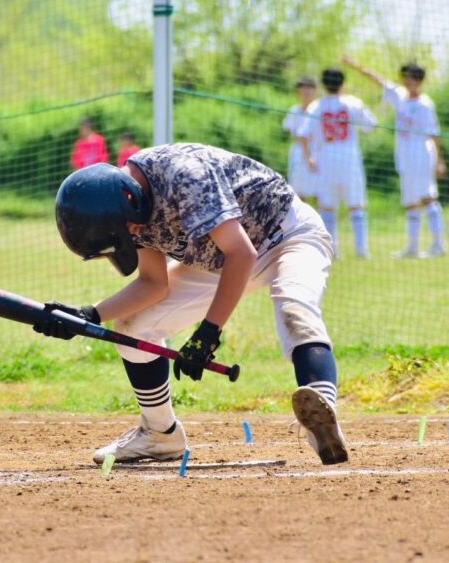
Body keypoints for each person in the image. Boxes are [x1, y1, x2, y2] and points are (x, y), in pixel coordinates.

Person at [38, 144, 348, 466]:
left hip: (287, 235)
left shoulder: (185, 176)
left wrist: (208, 333)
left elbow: (242, 255)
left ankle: (322, 410)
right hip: (220, 261)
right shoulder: (130, 209)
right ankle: (160, 435)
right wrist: (89, 315)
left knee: (293, 307)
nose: (132, 236)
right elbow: (154, 283)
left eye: (125, 232)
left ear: (129, 200)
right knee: (134, 324)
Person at [344, 57, 447, 258]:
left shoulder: (426, 104)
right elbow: (378, 79)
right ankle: (413, 246)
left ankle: (438, 243)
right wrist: (355, 65)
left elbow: (435, 133)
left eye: (411, 79)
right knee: (410, 200)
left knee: (427, 196)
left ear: (419, 81)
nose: (408, 82)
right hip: (404, 153)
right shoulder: (399, 95)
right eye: (405, 78)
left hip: (422, 152)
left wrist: (441, 161)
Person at [295, 68, 376, 259]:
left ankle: (333, 250)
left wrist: (309, 158)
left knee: (328, 206)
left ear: (324, 84)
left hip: (326, 160)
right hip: (350, 159)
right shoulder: (354, 103)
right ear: (343, 83)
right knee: (356, 205)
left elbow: (302, 134)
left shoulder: (317, 106)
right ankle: (361, 249)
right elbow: (371, 126)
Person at [281, 76, 320, 204]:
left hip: (318, 152)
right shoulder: (294, 110)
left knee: (319, 192)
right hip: (299, 154)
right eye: (303, 88)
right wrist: (306, 154)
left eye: (310, 88)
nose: (307, 91)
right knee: (299, 192)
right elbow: (295, 134)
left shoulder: (320, 110)